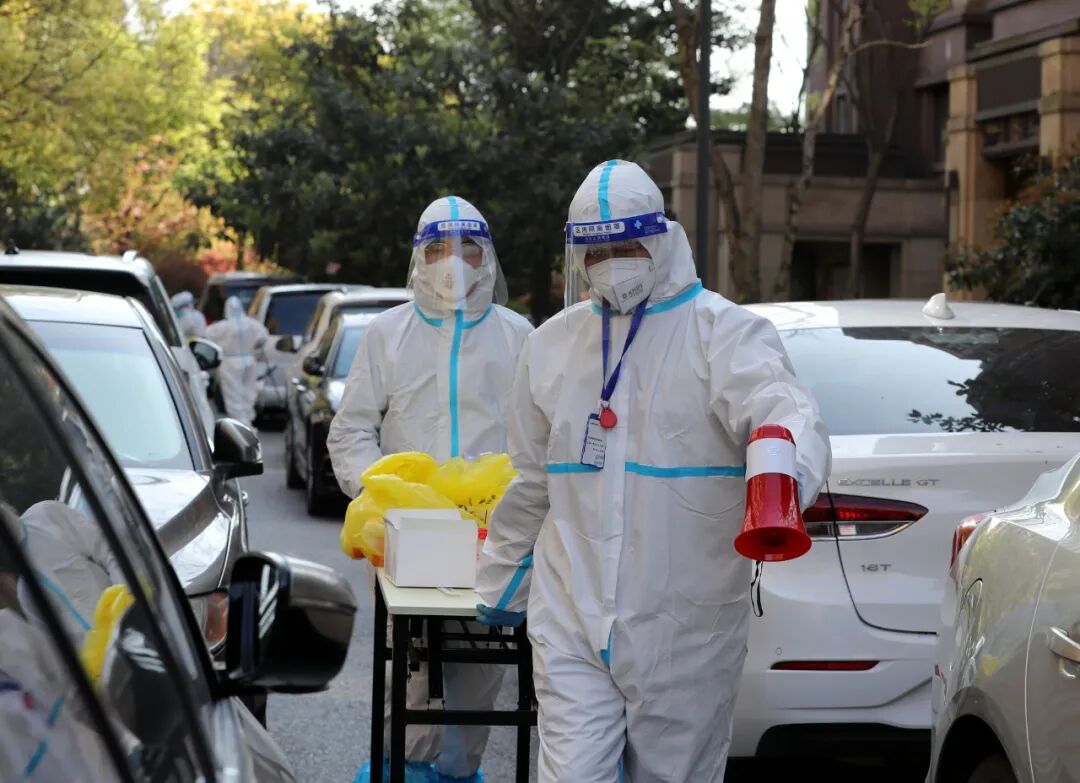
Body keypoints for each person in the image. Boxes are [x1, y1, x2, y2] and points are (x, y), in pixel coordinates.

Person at [475, 160, 832, 782]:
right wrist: (501, 584)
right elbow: (531, 480)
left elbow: (785, 413)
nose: (612, 262)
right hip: (571, 618)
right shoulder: (551, 345)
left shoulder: (724, 334)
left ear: (661, 237)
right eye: (596, 251)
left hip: (685, 625)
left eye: (626, 246)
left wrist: (780, 481)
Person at [328, 196, 533, 783]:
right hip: (409, 541)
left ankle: (457, 771)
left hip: (493, 538)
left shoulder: (518, 335)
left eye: (468, 250)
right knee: (409, 672)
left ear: (486, 257)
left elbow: (538, 438)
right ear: (420, 257)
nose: (454, 263)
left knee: (481, 676)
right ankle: (407, 768)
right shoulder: (388, 335)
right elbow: (351, 431)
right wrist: (379, 496)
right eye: (440, 249)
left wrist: (521, 511)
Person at [205, 296, 268, 426]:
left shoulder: (222, 326)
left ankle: (240, 423)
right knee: (248, 392)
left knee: (233, 393)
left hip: (230, 362)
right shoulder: (252, 324)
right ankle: (248, 420)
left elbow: (206, 335)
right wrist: (254, 347)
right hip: (249, 360)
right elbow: (263, 336)